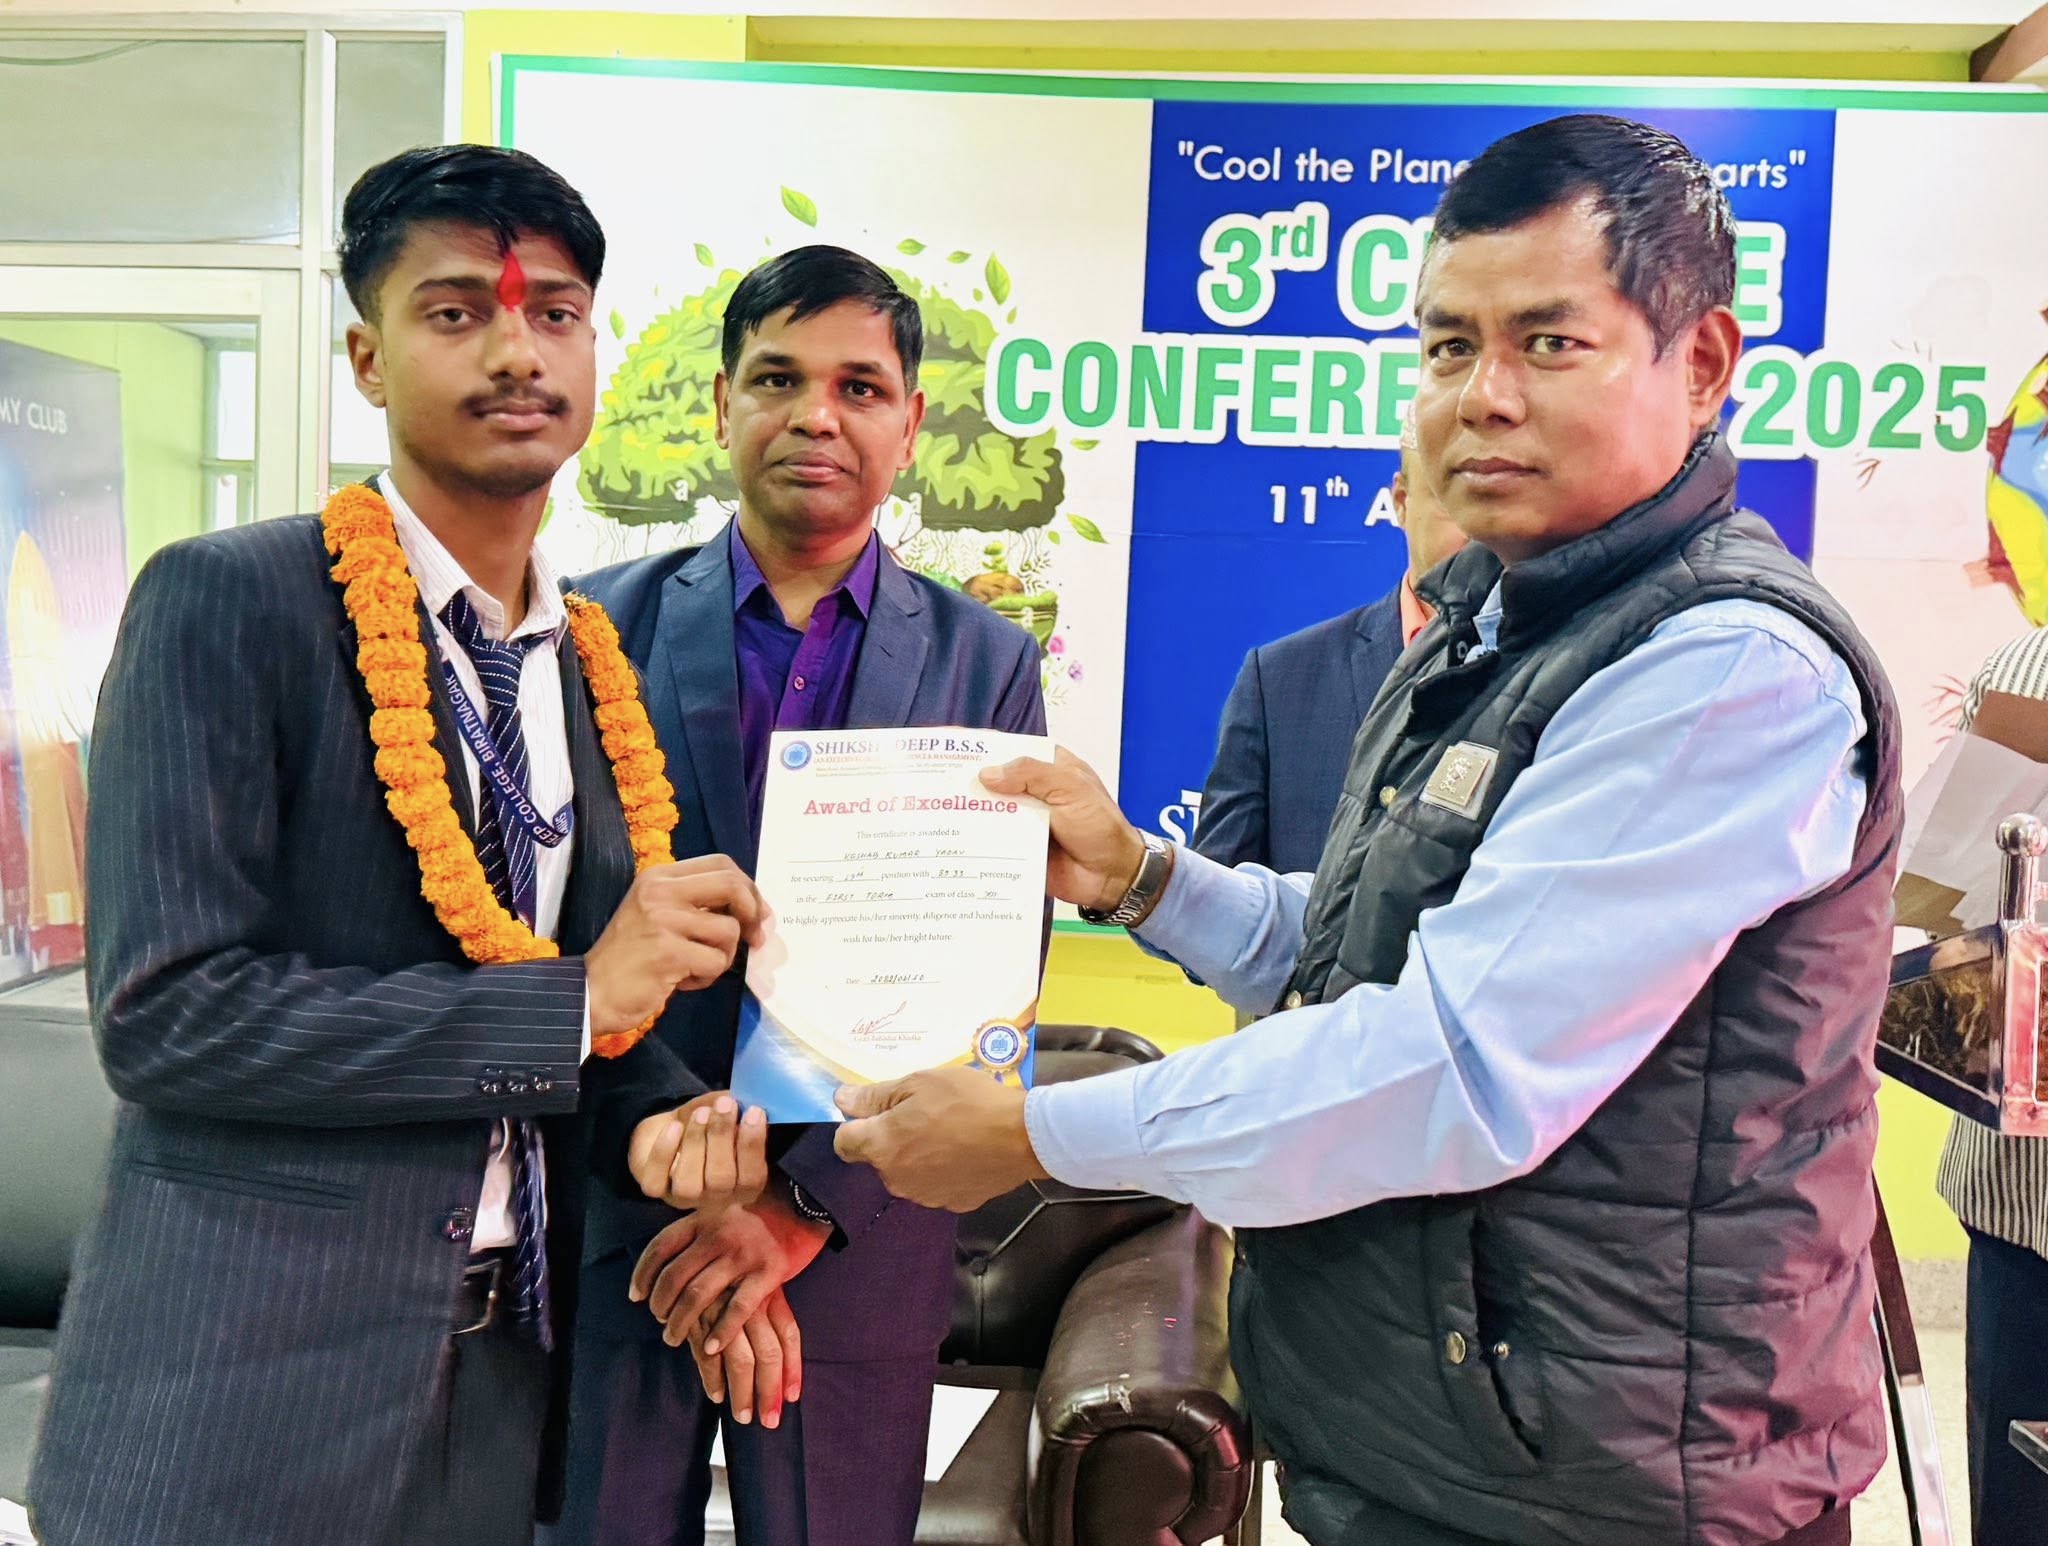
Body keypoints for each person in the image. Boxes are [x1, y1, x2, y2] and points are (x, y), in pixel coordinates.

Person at [836, 114, 1903, 1546]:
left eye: (1549, 342)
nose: (1483, 396)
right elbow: (1364, 953)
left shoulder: (1724, 669)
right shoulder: (1487, 622)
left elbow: (1448, 1064)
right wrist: (1144, 877)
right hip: (1434, 1448)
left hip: (1602, 1493)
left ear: (1701, 363)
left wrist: (1031, 1133)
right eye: (1448, 346)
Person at [28, 145, 774, 1546]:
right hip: (243, 1391)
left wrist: (666, 1118)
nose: (516, 351)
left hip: (496, 1386)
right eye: (455, 312)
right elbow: (169, 1017)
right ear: (367, 359)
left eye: (556, 313)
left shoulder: (583, 663)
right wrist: (577, 1006)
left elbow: (575, 1018)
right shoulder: (231, 604)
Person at [559, 245, 1048, 1546]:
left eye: (858, 386)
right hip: (629, 1223)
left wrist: (791, 1212)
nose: (815, 415)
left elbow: (987, 979)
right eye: (776, 378)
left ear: (910, 423)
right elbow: (552, 933)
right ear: (723, 402)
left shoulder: (986, 664)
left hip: (856, 1242)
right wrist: (683, 1164)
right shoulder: (589, 632)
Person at [1195, 422, 1466, 873]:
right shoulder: (1279, 682)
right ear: (1402, 502)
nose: (1483, 527)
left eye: (1500, 500)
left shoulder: (1578, 679)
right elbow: (1216, 898)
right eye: (1455, 499)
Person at [1935, 625, 2048, 1544]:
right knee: (2017, 1505)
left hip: (2017, 1197)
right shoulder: (2023, 673)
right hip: (2022, 1199)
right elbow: (1957, 908)